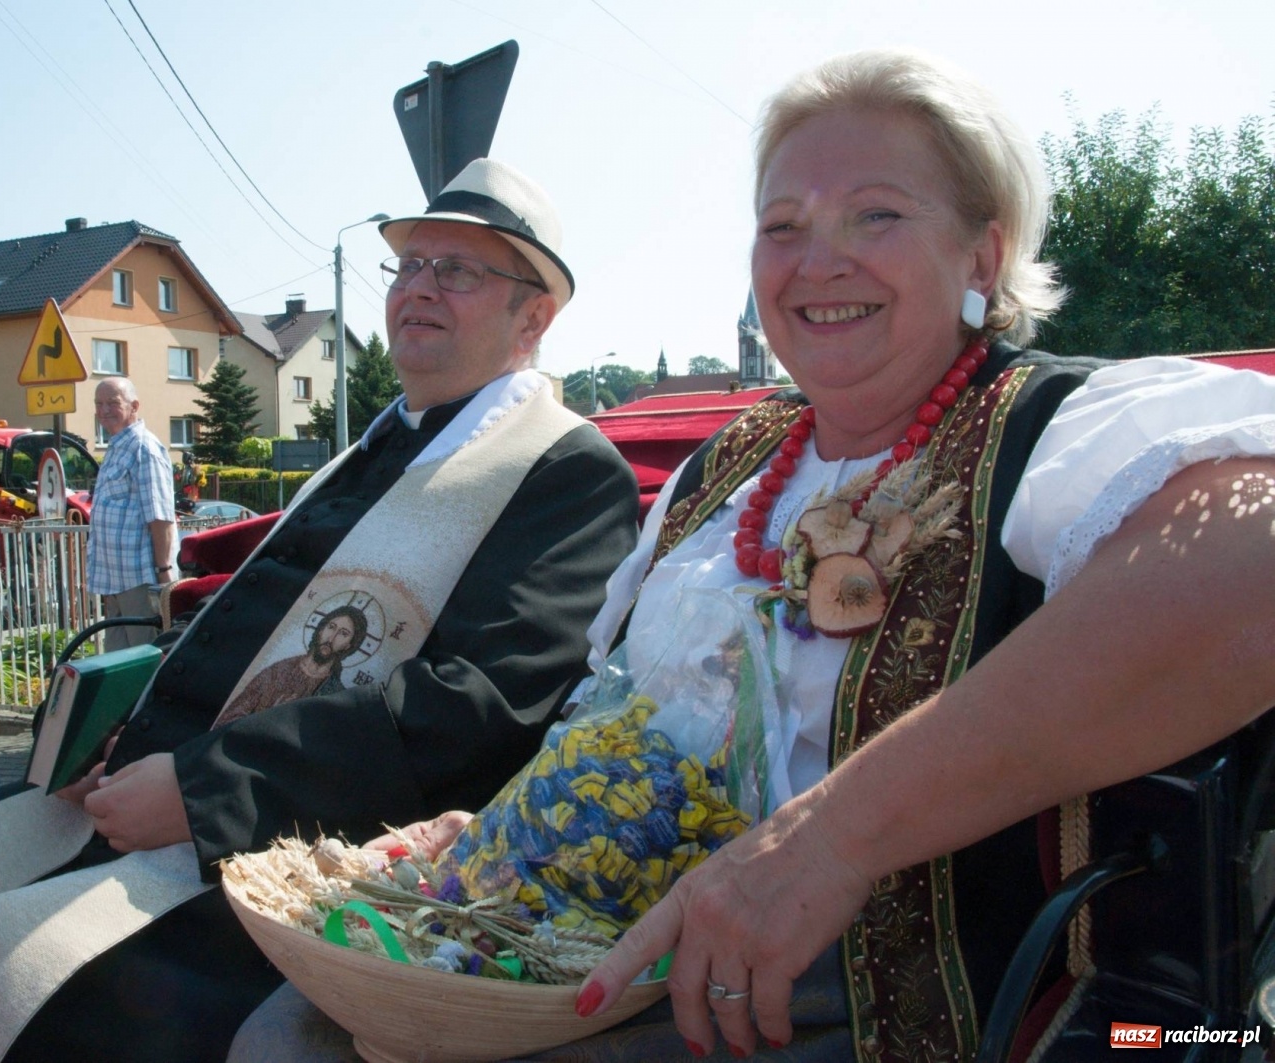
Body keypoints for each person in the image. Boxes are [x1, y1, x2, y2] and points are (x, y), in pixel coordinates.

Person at [228, 50, 1275, 1062]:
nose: (819, 259)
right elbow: (619, 708)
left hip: (868, 999)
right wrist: (523, 828)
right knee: (289, 1024)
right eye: (782, 226)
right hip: (614, 933)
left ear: (982, 257)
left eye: (877, 214)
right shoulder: (719, 472)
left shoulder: (1055, 429)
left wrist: (834, 837)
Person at [0, 157, 641, 1063]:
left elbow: (480, 705)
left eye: (456, 270)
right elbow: (238, 624)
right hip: (155, 782)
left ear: (534, 314)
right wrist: (114, 725)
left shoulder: (565, 471)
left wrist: (207, 788)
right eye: (409, 265)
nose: (418, 288)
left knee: (28, 976)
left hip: (299, 829)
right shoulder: (373, 447)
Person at [88, 375, 178, 652]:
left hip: (140, 577)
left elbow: (160, 514)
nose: (104, 410)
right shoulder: (116, 447)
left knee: (144, 658)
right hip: (114, 577)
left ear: (134, 406)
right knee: (118, 663)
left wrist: (164, 572)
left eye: (113, 403)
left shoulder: (144, 449)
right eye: (99, 403)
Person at [218, 603, 367, 724]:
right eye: (331, 627)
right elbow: (227, 720)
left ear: (349, 645)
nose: (331, 637)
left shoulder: (336, 694)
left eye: (343, 634)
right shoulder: (278, 671)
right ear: (321, 629)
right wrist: (267, 719)